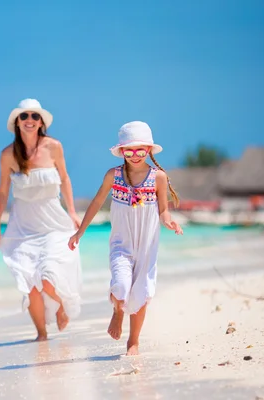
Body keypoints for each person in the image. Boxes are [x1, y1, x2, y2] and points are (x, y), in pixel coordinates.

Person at [68, 121, 183, 355]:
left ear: (149, 150)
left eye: (140, 150)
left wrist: (168, 220)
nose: (135, 155)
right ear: (121, 152)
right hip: (122, 244)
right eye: (128, 150)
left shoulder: (158, 177)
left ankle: (134, 341)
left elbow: (163, 209)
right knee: (121, 285)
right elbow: (98, 201)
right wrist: (80, 231)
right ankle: (118, 311)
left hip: (147, 246)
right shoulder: (114, 175)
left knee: (141, 293)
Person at [0, 98, 82, 341]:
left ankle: (61, 304)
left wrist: (72, 211)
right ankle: (41, 335)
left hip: (53, 223)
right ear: (17, 123)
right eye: (24, 116)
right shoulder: (8, 155)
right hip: (23, 226)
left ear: (41, 123)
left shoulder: (53, 147)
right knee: (29, 285)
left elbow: (65, 179)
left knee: (47, 278)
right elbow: (2, 192)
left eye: (34, 116)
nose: (30, 120)